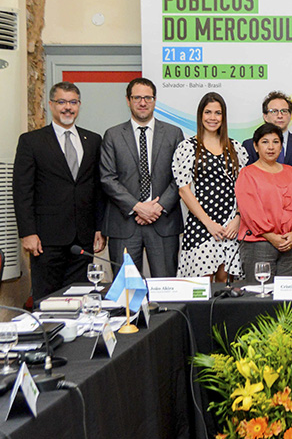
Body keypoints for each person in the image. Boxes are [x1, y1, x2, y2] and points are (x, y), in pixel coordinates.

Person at [13, 82, 106, 300]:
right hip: (46, 239)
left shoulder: (93, 140)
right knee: (47, 301)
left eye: (73, 102)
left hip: (82, 238)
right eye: (62, 102)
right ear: (51, 104)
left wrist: (99, 228)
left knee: (80, 299)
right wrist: (27, 232)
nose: (67, 107)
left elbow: (97, 188)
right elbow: (22, 190)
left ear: (79, 105)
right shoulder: (31, 141)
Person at [100, 78, 184, 277]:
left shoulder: (173, 134)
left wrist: (157, 207)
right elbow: (107, 178)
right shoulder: (112, 135)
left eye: (148, 98)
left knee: (165, 289)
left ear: (155, 100)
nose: (143, 103)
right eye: (137, 98)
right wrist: (138, 207)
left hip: (163, 223)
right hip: (124, 224)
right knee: (127, 289)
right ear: (128, 100)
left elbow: (180, 177)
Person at [172, 92, 248, 280]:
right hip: (201, 225)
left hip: (229, 226)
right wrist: (208, 224)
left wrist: (238, 217)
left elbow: (244, 188)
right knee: (201, 286)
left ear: (224, 117)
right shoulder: (188, 147)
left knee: (225, 286)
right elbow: (184, 190)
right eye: (208, 112)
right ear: (200, 115)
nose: (212, 118)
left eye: (217, 113)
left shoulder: (236, 148)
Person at [241, 91, 292, 275]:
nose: (270, 147)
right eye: (274, 111)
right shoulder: (247, 167)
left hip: (290, 240)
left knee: (287, 289)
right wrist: (270, 235)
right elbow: (249, 206)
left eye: (284, 111)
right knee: (260, 289)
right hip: (261, 240)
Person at [242, 91, 292, 173]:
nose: (280, 116)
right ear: (265, 116)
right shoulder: (249, 145)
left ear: (290, 115)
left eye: (284, 111)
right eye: (274, 111)